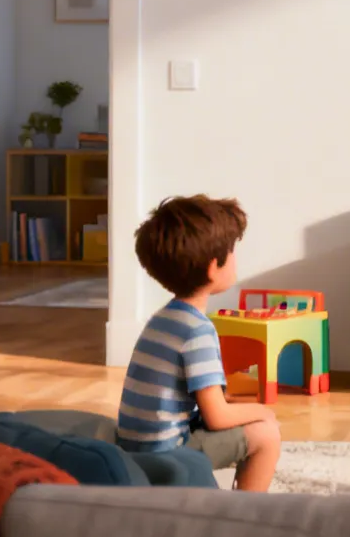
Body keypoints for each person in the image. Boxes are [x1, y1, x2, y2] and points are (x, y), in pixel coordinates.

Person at [117, 195, 283, 491]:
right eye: (231, 251)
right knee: (267, 433)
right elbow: (217, 417)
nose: (234, 258)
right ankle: (247, 511)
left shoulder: (163, 318)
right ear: (212, 268)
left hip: (135, 444)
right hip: (166, 453)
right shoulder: (198, 330)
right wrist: (263, 411)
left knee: (245, 416)